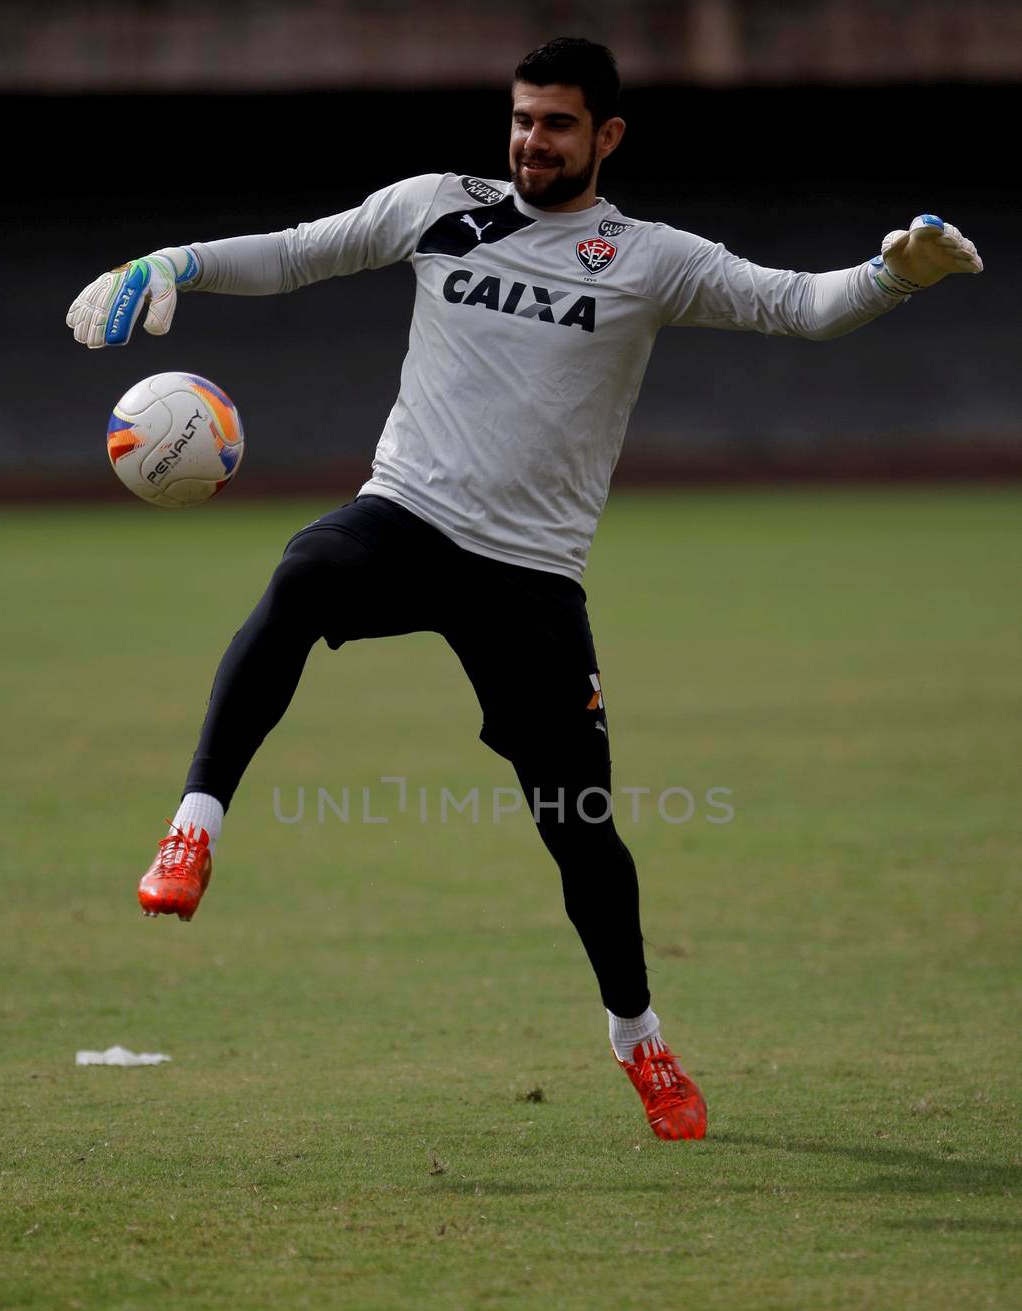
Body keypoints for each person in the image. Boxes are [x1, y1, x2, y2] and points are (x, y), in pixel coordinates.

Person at [67, 37, 982, 1143]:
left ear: (607, 137)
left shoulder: (651, 258)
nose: (530, 141)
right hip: (408, 515)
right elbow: (298, 253)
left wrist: (894, 276)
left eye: (555, 123)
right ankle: (193, 828)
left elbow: (800, 305)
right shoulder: (437, 207)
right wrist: (174, 263)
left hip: (532, 576)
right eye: (520, 118)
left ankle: (638, 1034)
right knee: (305, 572)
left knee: (579, 827)